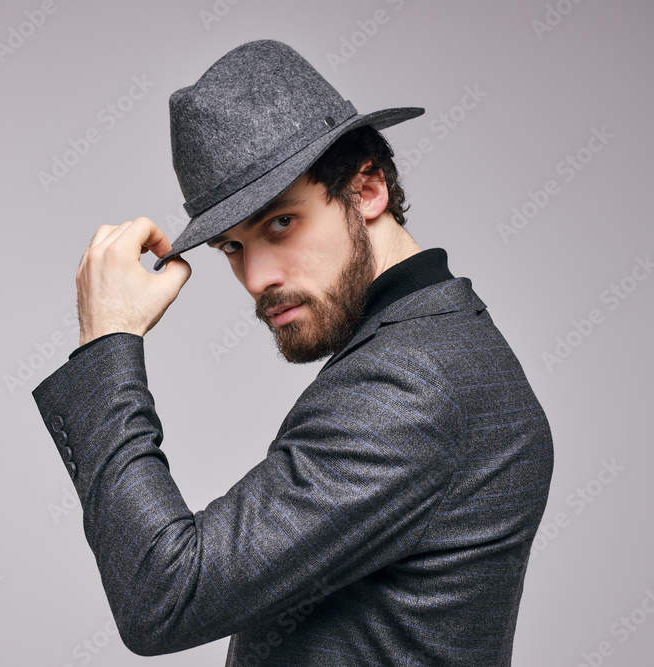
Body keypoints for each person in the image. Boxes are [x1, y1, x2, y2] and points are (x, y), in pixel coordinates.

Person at [31, 39, 554, 666]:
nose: (256, 279)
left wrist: (107, 345)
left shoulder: (409, 385)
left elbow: (164, 594)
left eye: (281, 223)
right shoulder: (430, 342)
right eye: (231, 247)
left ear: (367, 190)